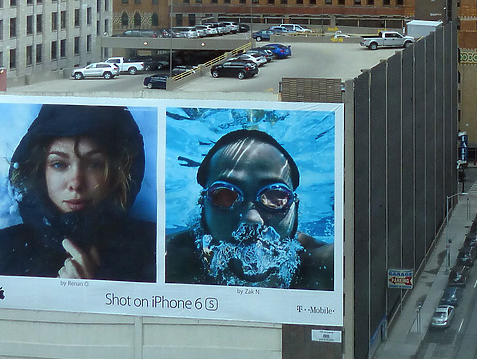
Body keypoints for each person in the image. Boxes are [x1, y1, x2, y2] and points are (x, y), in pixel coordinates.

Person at [0, 104, 156, 281]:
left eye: (94, 164)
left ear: (117, 172)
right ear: (40, 171)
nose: (76, 183)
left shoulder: (152, 247)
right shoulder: (4, 249)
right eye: (59, 164)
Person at [166, 128, 333, 290]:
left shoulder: (326, 266)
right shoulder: (165, 259)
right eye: (226, 195)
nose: (252, 219)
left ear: (295, 208)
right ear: (202, 205)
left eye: (274, 196)